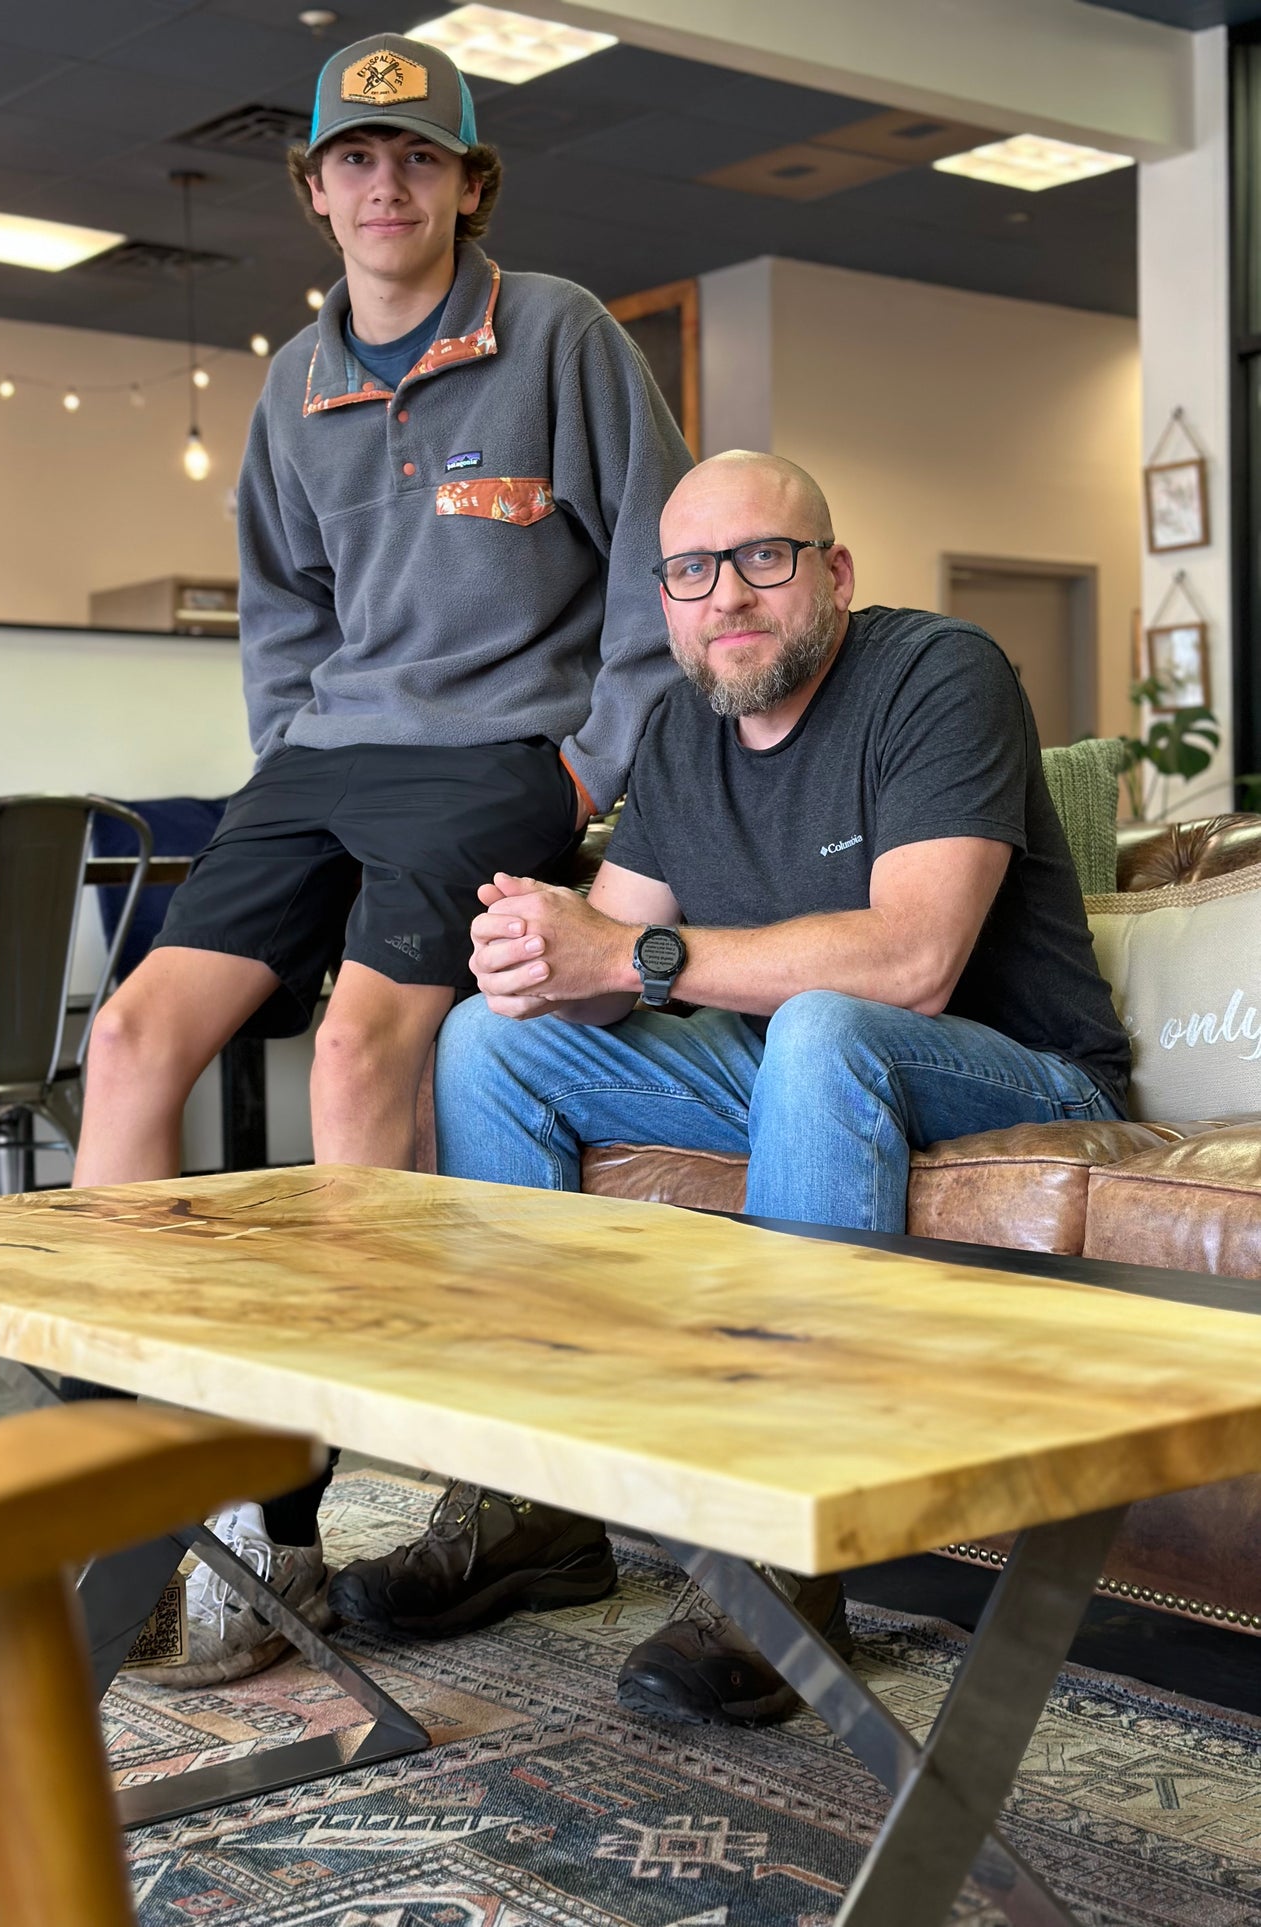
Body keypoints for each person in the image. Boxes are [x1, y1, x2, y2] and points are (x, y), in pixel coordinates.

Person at [72, 32, 692, 1687]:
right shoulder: (295, 379)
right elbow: (283, 604)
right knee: (132, 1040)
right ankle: (138, 1493)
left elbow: (657, 562)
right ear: (318, 191)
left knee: (359, 1047)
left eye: (418, 159)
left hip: (499, 756)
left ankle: (304, 1516)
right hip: (329, 753)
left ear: (468, 185)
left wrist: (586, 762)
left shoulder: (557, 331)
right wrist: (290, 747)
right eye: (355, 158)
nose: (385, 184)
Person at [343, 448, 1131, 1725]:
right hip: (796, 1071)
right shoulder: (679, 728)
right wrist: (542, 950)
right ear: (665, 597)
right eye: (694, 571)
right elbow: (606, 959)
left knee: (829, 1021)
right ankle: (535, 1506)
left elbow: (915, 961)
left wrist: (635, 954)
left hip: (1019, 1077)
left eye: (763, 559)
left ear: (832, 572)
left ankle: (780, 1552)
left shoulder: (938, 674)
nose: (729, 597)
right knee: (494, 1038)